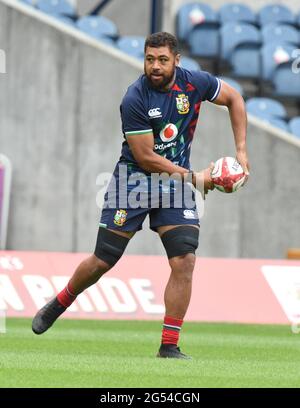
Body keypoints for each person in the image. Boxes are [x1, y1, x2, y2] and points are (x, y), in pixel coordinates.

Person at [32, 32, 249, 359]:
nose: (155, 66)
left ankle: (169, 346)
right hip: (134, 182)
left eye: (162, 60)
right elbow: (146, 157)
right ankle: (61, 300)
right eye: (150, 59)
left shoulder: (195, 84)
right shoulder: (135, 98)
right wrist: (196, 177)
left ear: (176, 60)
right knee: (103, 260)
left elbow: (234, 98)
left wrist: (242, 152)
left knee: (185, 260)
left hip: (173, 186)